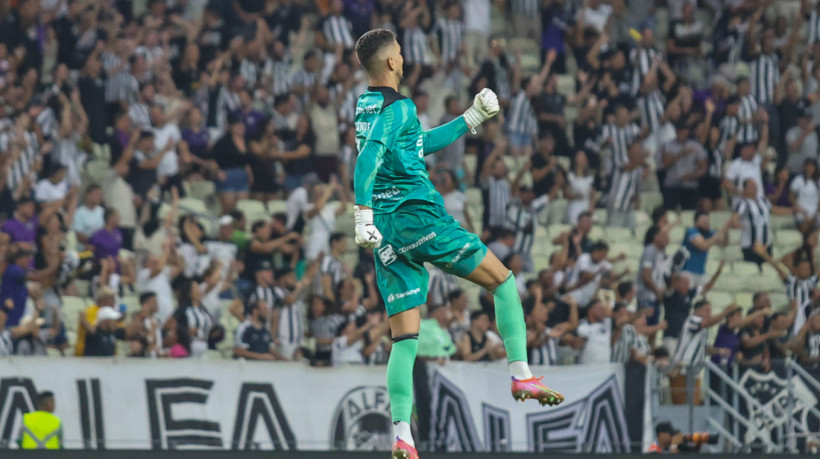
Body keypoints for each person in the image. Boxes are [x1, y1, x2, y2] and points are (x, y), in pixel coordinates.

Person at [351, 29, 563, 459]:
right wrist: (360, 214)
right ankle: (521, 373)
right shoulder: (399, 106)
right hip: (419, 218)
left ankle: (403, 437)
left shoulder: (366, 106)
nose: (405, 58)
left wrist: (470, 119)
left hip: (390, 238)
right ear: (391, 62)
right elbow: (368, 157)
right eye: (400, 53)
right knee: (503, 282)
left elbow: (415, 146)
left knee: (404, 339)